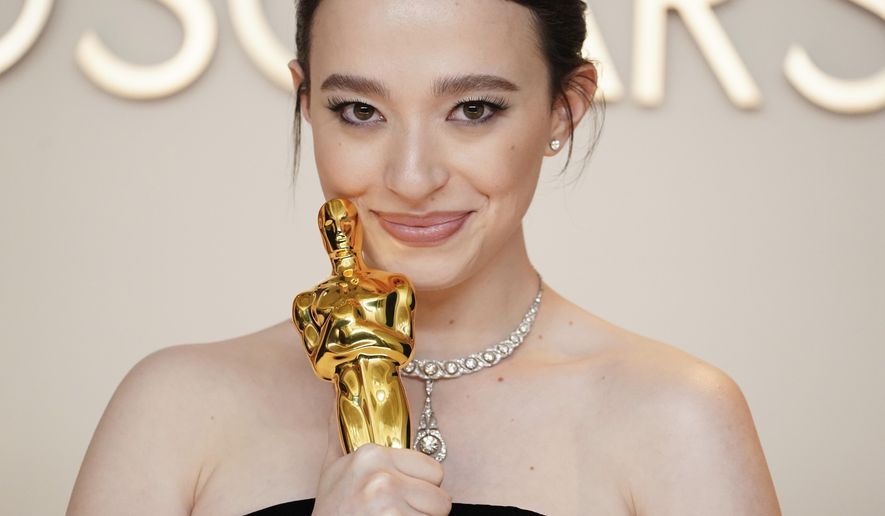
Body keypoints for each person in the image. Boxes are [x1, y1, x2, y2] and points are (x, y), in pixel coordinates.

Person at [67, 0, 782, 514]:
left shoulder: (678, 417)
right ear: (306, 103)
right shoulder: (174, 408)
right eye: (360, 111)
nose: (412, 178)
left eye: (473, 109)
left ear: (564, 108)